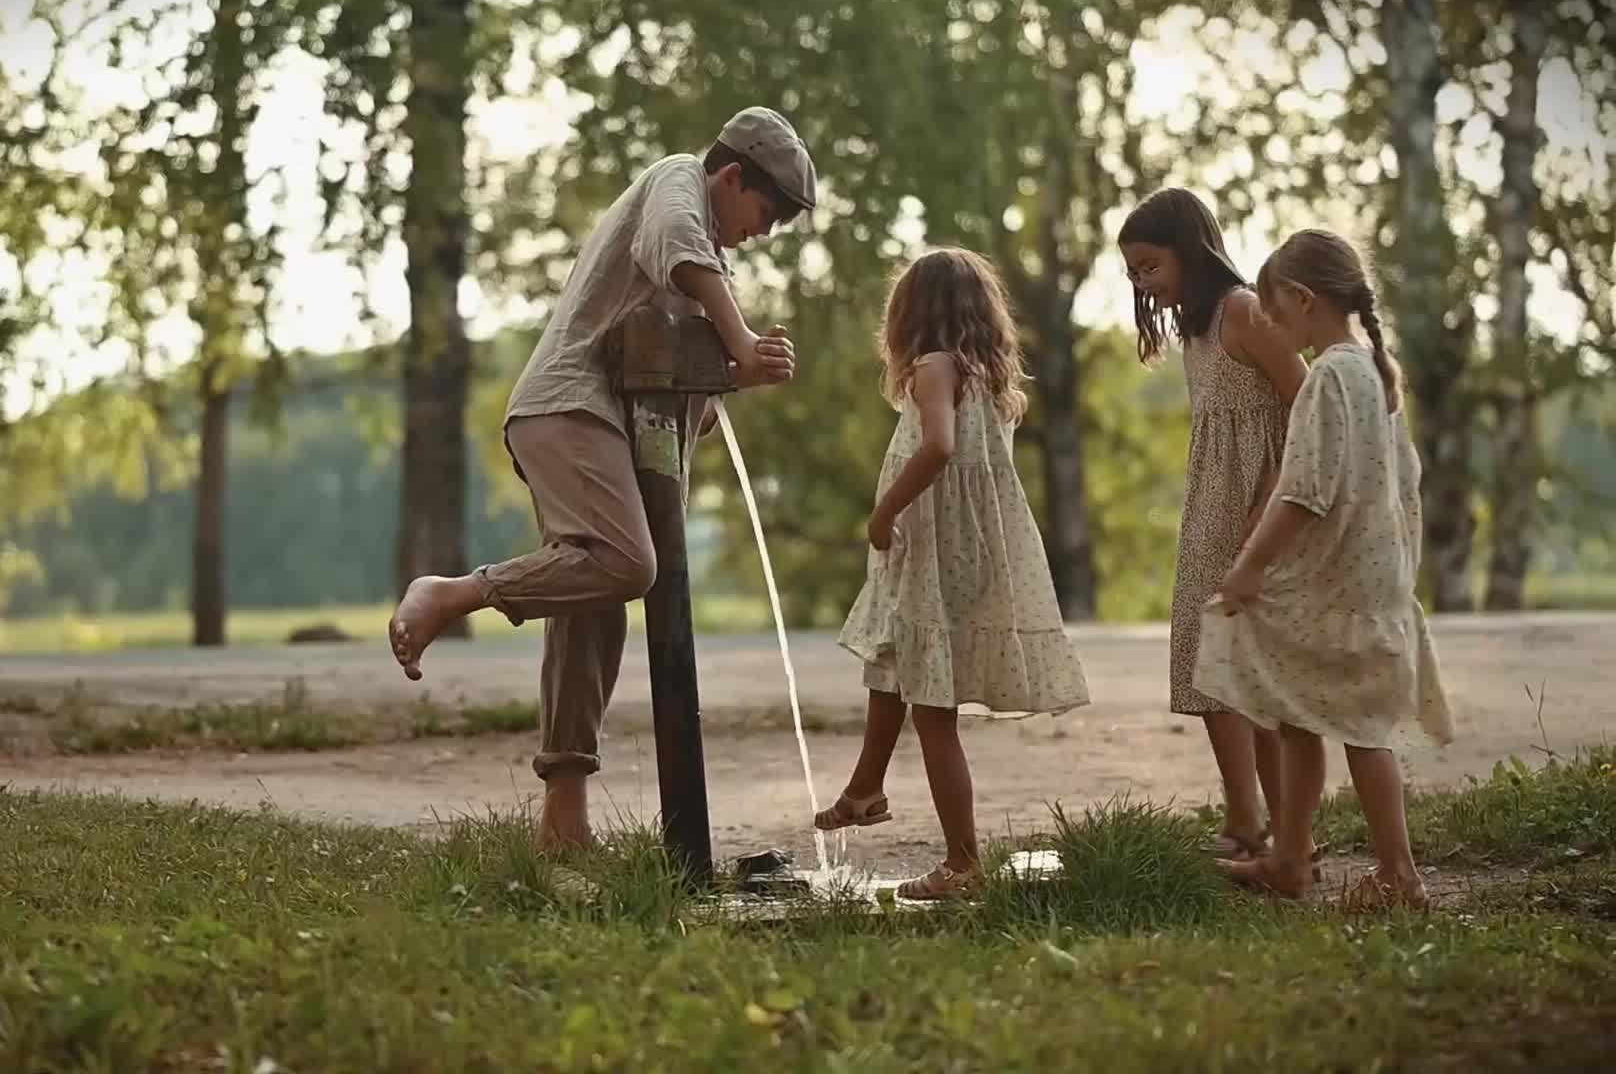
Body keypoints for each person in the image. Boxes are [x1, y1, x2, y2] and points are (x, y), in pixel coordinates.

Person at [388, 107, 819, 853]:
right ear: (730, 176)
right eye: (767, 210)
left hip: (601, 423)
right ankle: (453, 593)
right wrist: (741, 341)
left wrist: (736, 373)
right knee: (628, 563)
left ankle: (563, 821)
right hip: (568, 406)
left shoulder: (703, 257)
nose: (766, 230)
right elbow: (680, 248)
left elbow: (686, 390)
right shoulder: (676, 183)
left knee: (592, 601)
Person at [815, 247, 1090, 900]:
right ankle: (864, 787)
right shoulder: (986, 379)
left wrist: (885, 511)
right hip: (969, 552)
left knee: (934, 712)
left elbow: (938, 447)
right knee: (894, 657)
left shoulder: (934, 369)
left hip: (940, 552)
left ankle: (963, 863)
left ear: (908, 314)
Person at [1195, 228, 1454, 911]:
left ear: (1303, 299)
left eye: (1277, 314)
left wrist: (1248, 568)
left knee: (1360, 730)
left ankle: (1399, 874)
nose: (1275, 328)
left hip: (1338, 584)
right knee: (1293, 711)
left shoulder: (1330, 379)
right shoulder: (1370, 371)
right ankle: (1287, 856)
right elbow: (1406, 483)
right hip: (1367, 579)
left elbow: (1303, 492)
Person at [1117, 187, 1310, 863]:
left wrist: (1271, 499)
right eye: (1133, 272)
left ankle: (1268, 826)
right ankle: (1253, 821)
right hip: (1212, 504)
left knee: (1245, 666)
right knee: (1209, 658)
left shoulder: (1244, 311)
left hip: (1259, 505)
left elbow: (1308, 400)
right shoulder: (1194, 325)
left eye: (1150, 266)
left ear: (1190, 252)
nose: (1143, 282)